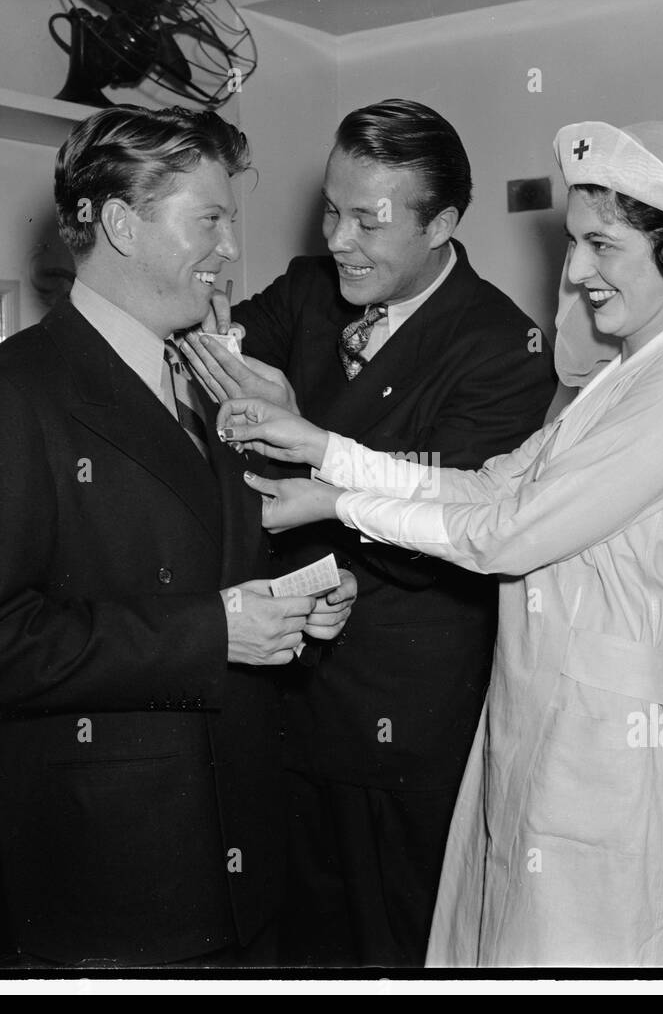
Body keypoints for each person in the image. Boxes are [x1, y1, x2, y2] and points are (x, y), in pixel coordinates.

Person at [217, 120, 663, 966]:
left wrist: (337, 502)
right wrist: (323, 453)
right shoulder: (622, 379)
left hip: (615, 752)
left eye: (600, 245)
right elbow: (491, 484)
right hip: (539, 724)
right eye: (574, 243)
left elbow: (502, 534)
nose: (573, 271)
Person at [0, 105, 355, 967]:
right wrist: (214, 630)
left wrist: (310, 592)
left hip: (251, 863)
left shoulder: (209, 378)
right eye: (211, 220)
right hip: (119, 880)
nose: (232, 249)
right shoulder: (7, 395)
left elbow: (232, 554)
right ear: (121, 224)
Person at [179, 100, 556, 966]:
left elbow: (447, 536)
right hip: (279, 702)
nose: (338, 237)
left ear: (444, 225)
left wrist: (303, 442)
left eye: (367, 220)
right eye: (331, 209)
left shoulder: (501, 345)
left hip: (400, 728)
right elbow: (219, 359)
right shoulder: (313, 287)